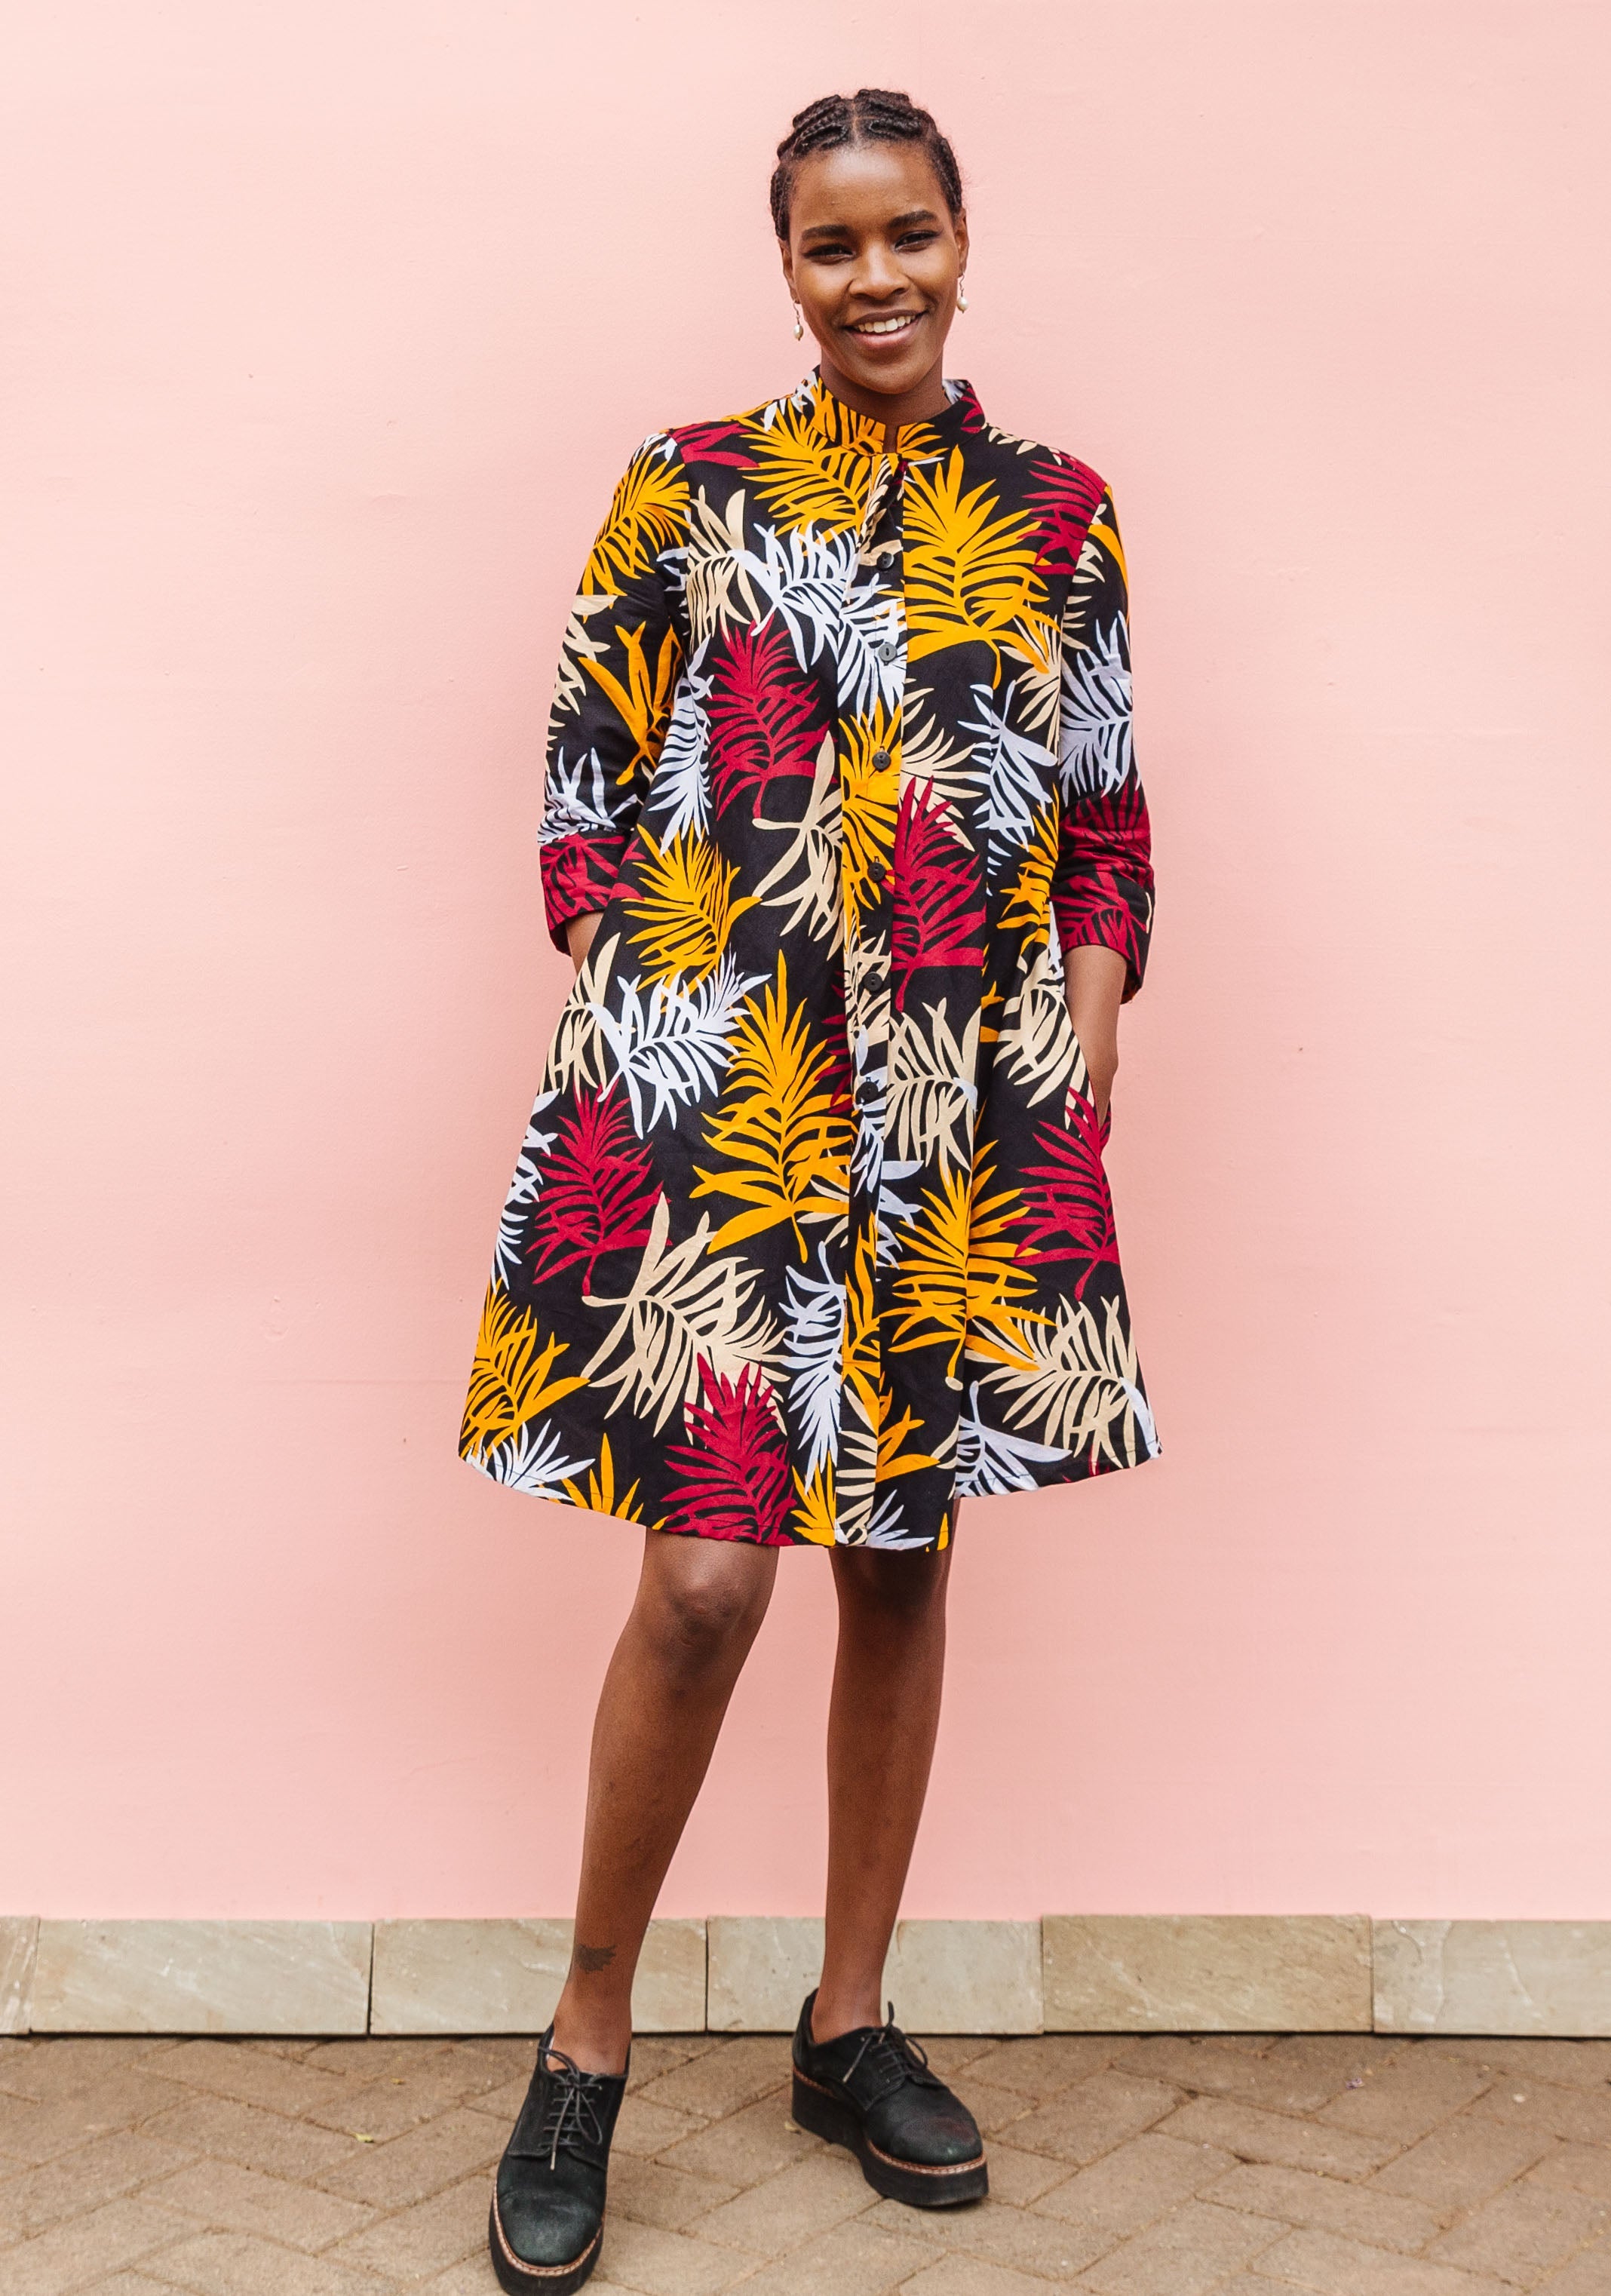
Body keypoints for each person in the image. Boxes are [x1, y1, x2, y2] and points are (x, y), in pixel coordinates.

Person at [465, 87, 1157, 2295]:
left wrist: (1089, 1035)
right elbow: (586, 774)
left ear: (965, 242)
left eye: (910, 234)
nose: (877, 277)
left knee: (893, 1558)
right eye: (835, 244)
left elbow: (1110, 826)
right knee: (700, 1587)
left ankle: (847, 2023)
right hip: (723, 1090)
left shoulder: (1060, 516)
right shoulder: (692, 487)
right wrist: (629, 991)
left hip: (960, 1104)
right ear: (787, 267)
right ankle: (586, 2040)